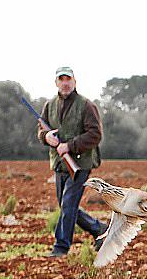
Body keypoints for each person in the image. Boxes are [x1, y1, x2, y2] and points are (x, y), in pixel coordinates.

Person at [37, 67, 107, 257]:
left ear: (75, 81)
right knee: (67, 206)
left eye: (68, 79)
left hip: (80, 164)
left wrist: (70, 146)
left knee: (68, 205)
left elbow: (95, 135)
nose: (65, 83)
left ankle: (61, 248)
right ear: (56, 83)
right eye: (61, 79)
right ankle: (99, 229)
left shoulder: (86, 105)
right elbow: (41, 131)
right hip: (60, 165)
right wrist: (46, 137)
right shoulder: (49, 106)